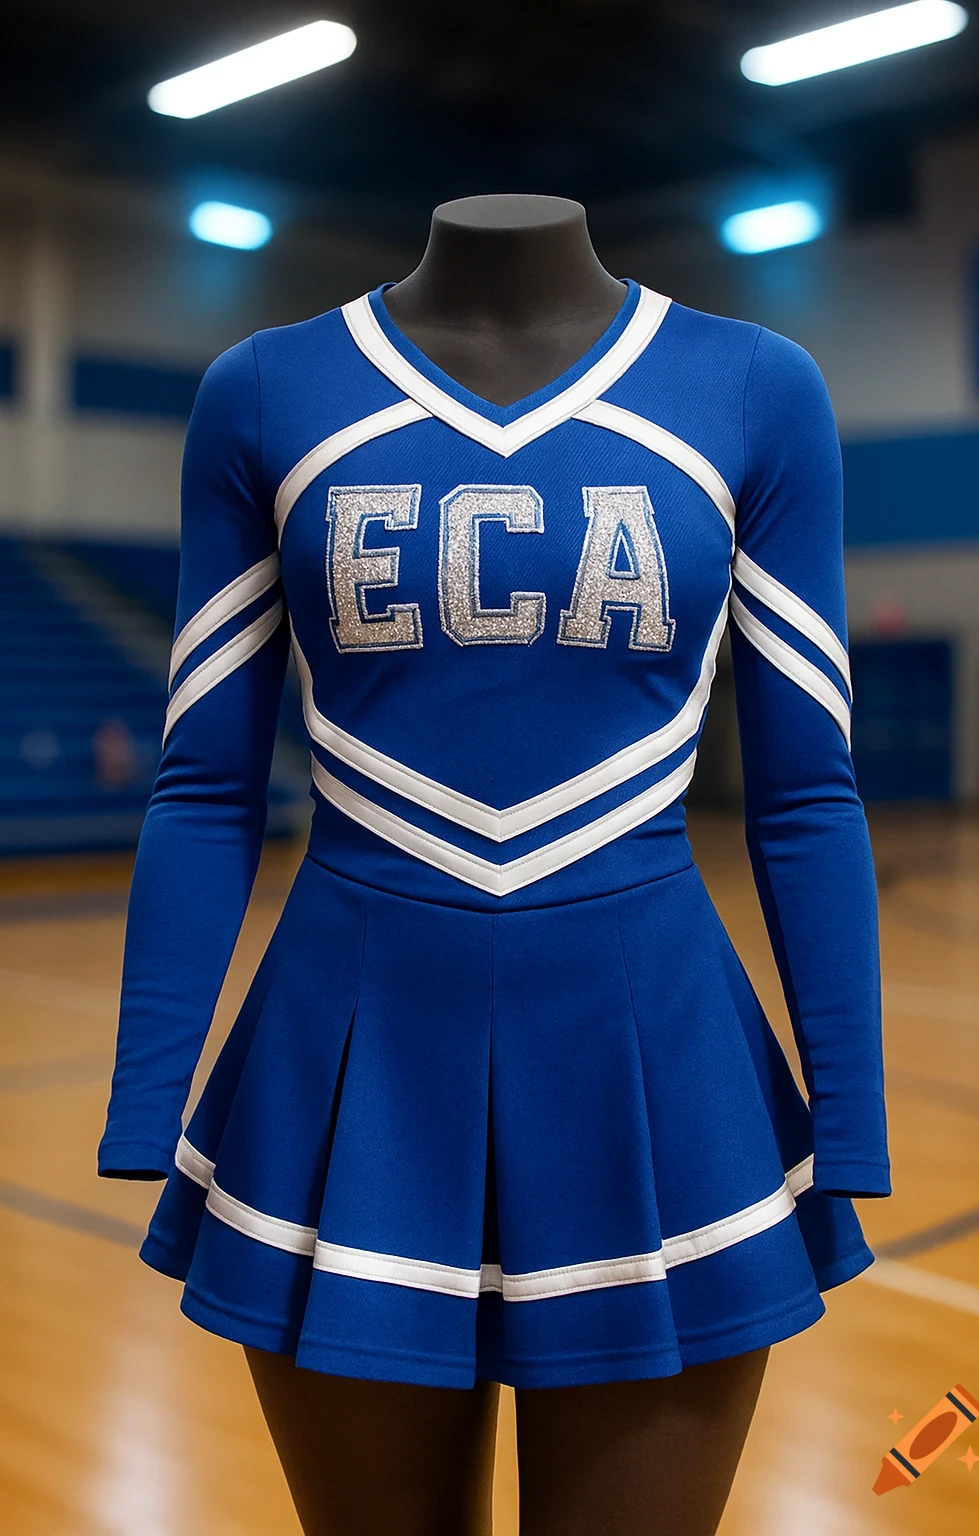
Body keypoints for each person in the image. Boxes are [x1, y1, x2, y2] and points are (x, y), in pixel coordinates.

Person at [99, 194, 890, 1535]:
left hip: (658, 1059)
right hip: (347, 1061)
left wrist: (853, 1113)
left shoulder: (756, 388)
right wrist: (145, 1098)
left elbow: (809, 790)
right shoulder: (262, 390)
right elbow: (204, 779)